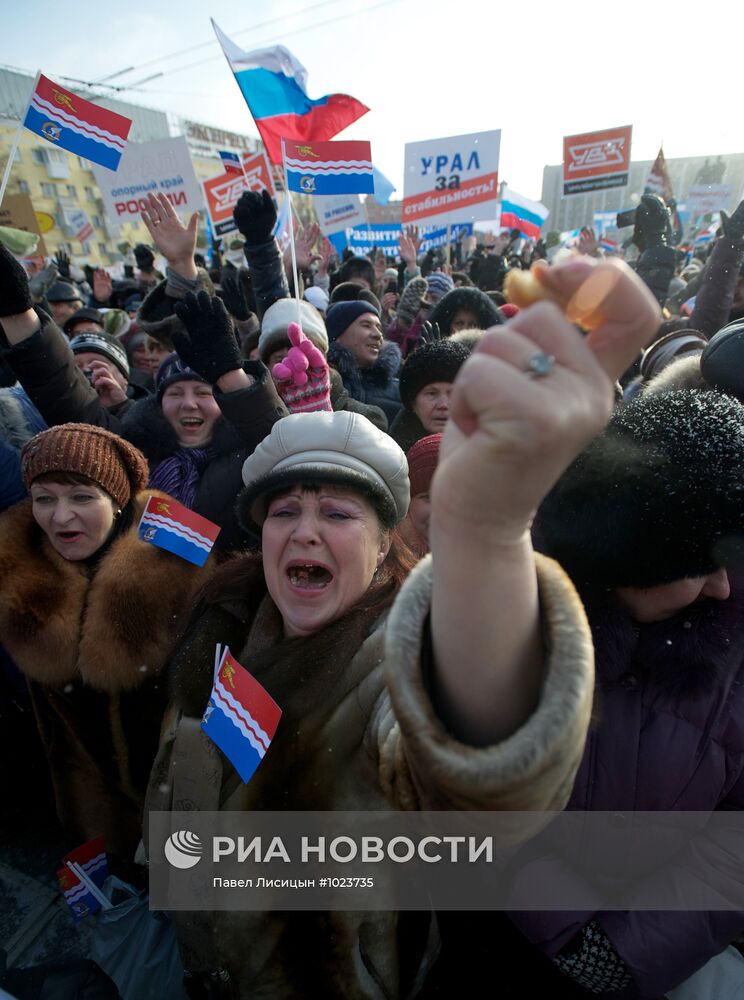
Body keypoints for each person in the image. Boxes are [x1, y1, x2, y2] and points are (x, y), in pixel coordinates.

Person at [145, 256, 661, 998]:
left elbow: (487, 769)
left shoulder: (394, 658)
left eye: (339, 513)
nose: (305, 532)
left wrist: (488, 528)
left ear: (388, 541)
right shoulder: (223, 625)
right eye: (284, 511)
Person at [507, 388, 744, 998]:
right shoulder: (506, 629)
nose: (723, 589)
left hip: (682, 964)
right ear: (627, 559)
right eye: (696, 567)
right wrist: (564, 930)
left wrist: (628, 950)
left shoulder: (733, 642)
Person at [0, 215, 288, 553]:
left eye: (203, 392)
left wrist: (228, 373)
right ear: (157, 402)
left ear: (225, 401)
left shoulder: (252, 453)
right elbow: (62, 390)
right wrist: (19, 314)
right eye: (175, 393)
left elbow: (279, 438)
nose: (189, 403)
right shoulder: (132, 450)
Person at [0, 423, 212, 859]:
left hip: (180, 810)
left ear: (116, 502)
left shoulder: (183, 559)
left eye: (81, 497)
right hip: (90, 808)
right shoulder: (18, 576)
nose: (59, 517)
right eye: (44, 499)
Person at [325, 300, 402, 424]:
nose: (378, 335)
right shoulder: (321, 386)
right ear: (338, 335)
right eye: (366, 325)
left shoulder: (399, 391)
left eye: (379, 327)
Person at [389, 338, 472, 452]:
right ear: (413, 403)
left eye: (453, 393)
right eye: (431, 393)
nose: (443, 405)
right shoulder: (391, 456)